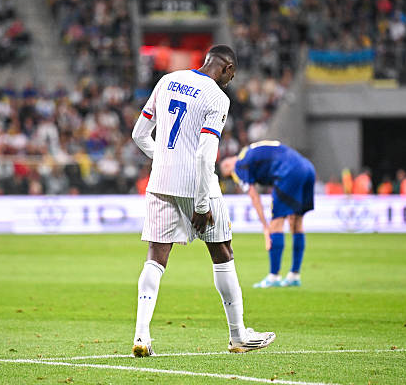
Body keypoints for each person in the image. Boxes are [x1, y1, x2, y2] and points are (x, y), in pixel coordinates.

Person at [130, 45, 275, 357]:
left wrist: (165, 160)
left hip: (160, 181)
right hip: (197, 185)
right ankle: (238, 336)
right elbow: (204, 156)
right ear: (227, 68)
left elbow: (139, 135)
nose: (231, 80)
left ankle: (141, 336)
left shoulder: (167, 80)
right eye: (232, 75)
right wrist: (201, 205)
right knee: (223, 253)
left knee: (155, 258)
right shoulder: (217, 97)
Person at [220, 140, 315, 289]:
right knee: (296, 222)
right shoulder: (249, 151)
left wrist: (265, 226)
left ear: (227, 165)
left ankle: (274, 276)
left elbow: (254, 196)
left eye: (230, 175)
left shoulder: (239, 165)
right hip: (307, 167)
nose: (234, 178)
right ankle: (294, 275)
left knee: (276, 223)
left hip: (288, 172)